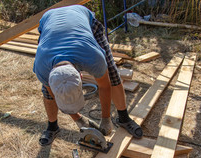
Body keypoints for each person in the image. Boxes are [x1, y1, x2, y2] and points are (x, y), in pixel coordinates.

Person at [33, 5, 143, 146]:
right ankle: (52, 126)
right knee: (46, 93)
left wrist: (106, 118)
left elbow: (104, 85)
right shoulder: (42, 68)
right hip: (49, 22)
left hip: (83, 18)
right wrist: (78, 119)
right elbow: (53, 94)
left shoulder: (93, 58)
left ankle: (123, 118)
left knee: (113, 74)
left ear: (81, 77)